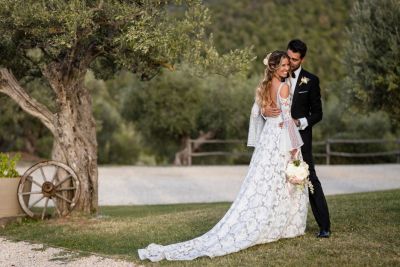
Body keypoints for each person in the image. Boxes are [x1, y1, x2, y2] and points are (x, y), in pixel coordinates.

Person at [138, 51, 308, 262]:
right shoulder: (283, 87)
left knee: (267, 183)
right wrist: (294, 147)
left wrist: (266, 112)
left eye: (287, 65)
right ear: (273, 67)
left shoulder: (265, 86)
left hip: (268, 139)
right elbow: (287, 119)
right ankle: (282, 226)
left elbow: (259, 113)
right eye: (282, 65)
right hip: (281, 138)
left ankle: (273, 223)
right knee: (281, 183)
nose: (286, 68)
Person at [263, 39, 331, 238]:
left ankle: (324, 226)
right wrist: (266, 111)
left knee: (309, 178)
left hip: (301, 137)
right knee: (277, 180)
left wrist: (298, 122)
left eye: (294, 59)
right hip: (278, 138)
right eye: (288, 57)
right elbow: (264, 106)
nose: (290, 63)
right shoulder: (277, 77)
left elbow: (317, 114)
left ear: (302, 59)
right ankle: (279, 224)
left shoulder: (311, 81)